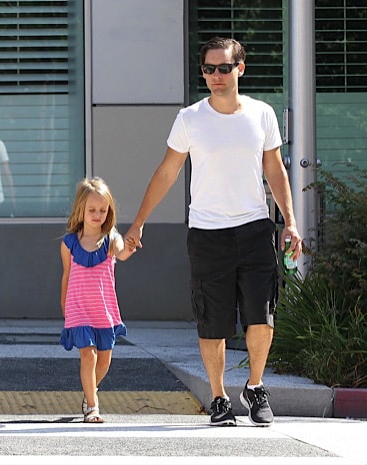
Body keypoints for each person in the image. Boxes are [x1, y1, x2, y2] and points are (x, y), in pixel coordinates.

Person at [124, 37, 303, 427]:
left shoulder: (261, 114)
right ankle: (219, 397)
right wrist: (138, 222)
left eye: (224, 68)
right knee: (212, 319)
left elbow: (275, 170)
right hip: (207, 233)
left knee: (262, 315)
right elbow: (167, 171)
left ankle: (255, 387)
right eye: (209, 69)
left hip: (255, 228)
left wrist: (289, 221)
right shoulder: (190, 118)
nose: (216, 76)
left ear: (240, 69)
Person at [60, 177, 136, 423]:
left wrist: (129, 247)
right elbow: (67, 276)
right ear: (80, 209)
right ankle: (92, 406)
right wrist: (64, 305)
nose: (97, 214)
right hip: (79, 309)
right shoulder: (69, 243)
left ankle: (89, 392)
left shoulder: (111, 239)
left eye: (102, 210)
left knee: (104, 360)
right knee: (88, 356)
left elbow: (122, 252)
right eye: (92, 210)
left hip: (103, 310)